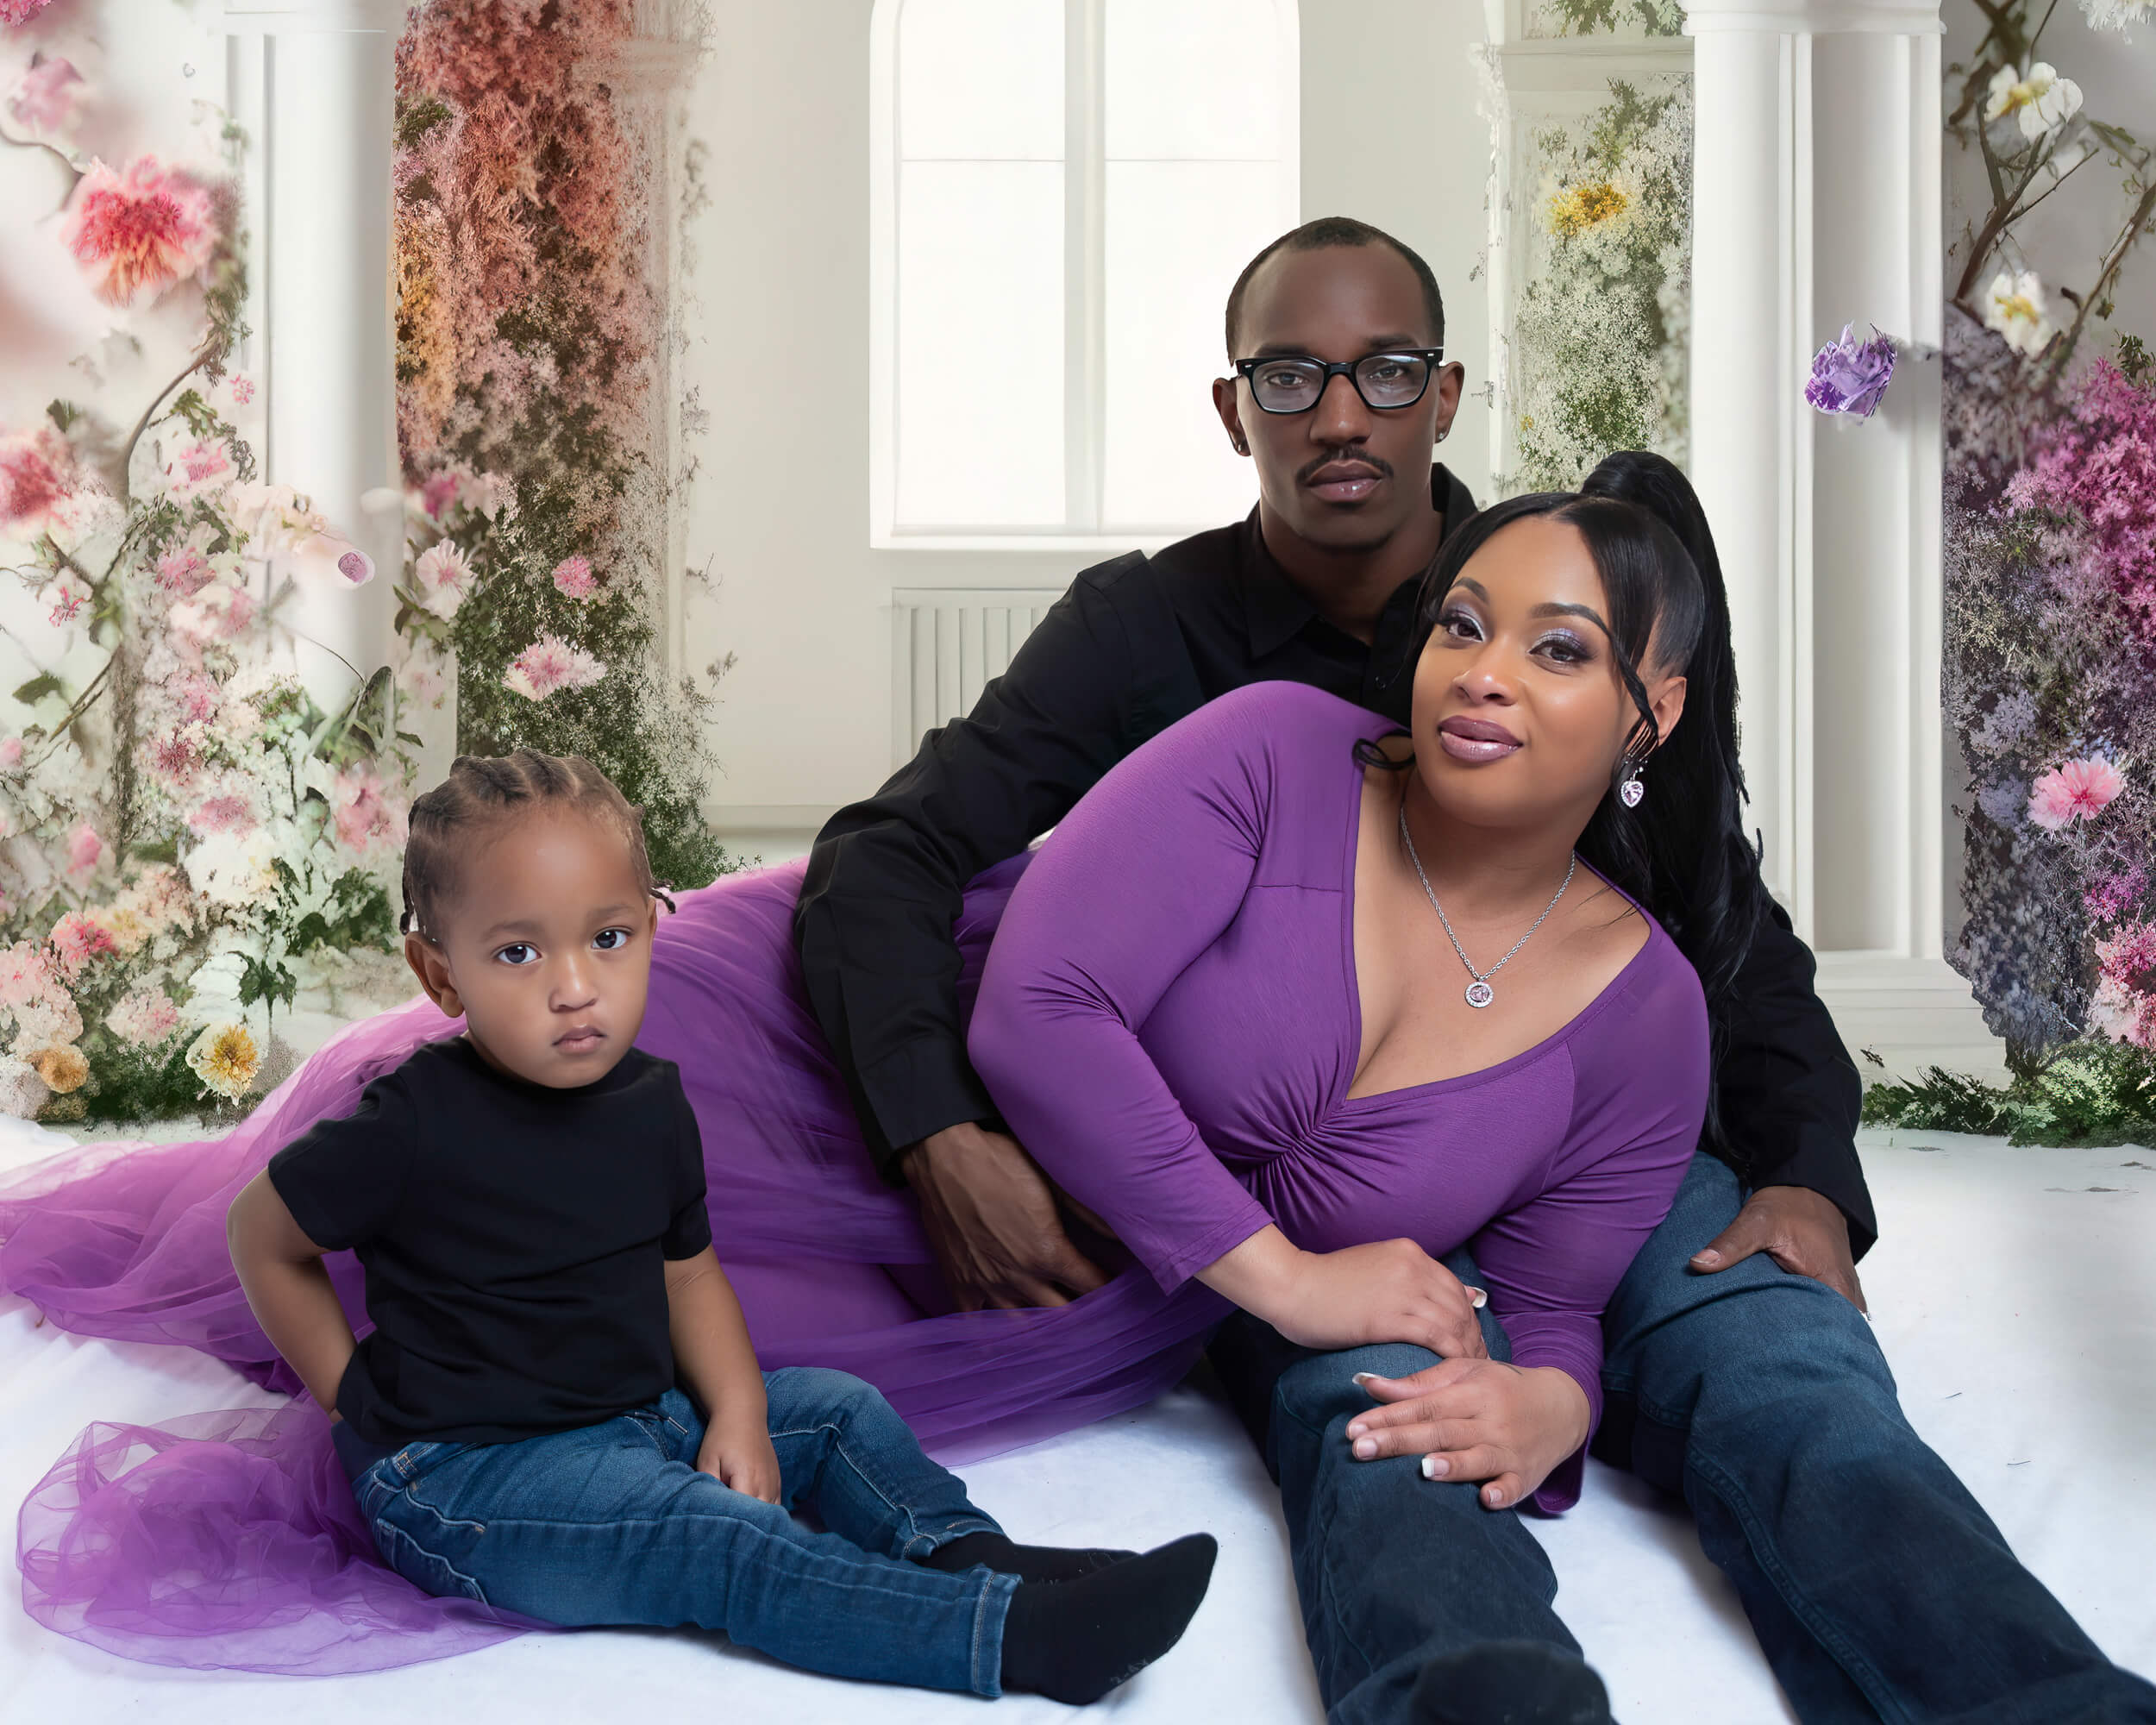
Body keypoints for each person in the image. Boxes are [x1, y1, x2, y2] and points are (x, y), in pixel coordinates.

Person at [795, 217, 2156, 1723]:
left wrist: (1807, 1169)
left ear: (1443, 397)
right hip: (1294, 1185)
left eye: (1383, 373)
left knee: (1782, 1372)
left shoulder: (1568, 586)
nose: (1337, 415)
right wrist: (939, 1128)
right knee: (1393, 1415)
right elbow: (896, 855)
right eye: (1290, 377)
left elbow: (1729, 929)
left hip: (1585, 1134)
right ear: (1233, 407)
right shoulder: (1165, 649)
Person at [223, 750, 1219, 1704]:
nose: (573, 985)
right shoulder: (409, 1124)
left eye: (606, 937)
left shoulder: (651, 1102)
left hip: (632, 1418)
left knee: (833, 1407)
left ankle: (973, 1554)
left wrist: (738, 1410)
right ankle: (1015, 1637)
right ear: (440, 975)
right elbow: (261, 1235)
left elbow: (690, 1273)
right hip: (473, 1474)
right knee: (713, 1537)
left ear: (651, 928)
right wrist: (349, 1392)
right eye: (518, 952)